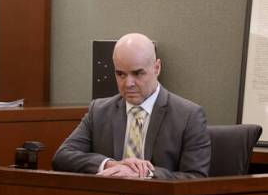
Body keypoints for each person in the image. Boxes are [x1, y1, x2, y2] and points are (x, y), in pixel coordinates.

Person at [52, 33, 210, 179]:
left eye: (137, 73)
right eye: (120, 74)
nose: (128, 84)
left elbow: (196, 177)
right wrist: (110, 164)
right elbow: (62, 157)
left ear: (156, 68)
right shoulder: (99, 111)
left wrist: (144, 173)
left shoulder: (189, 116)